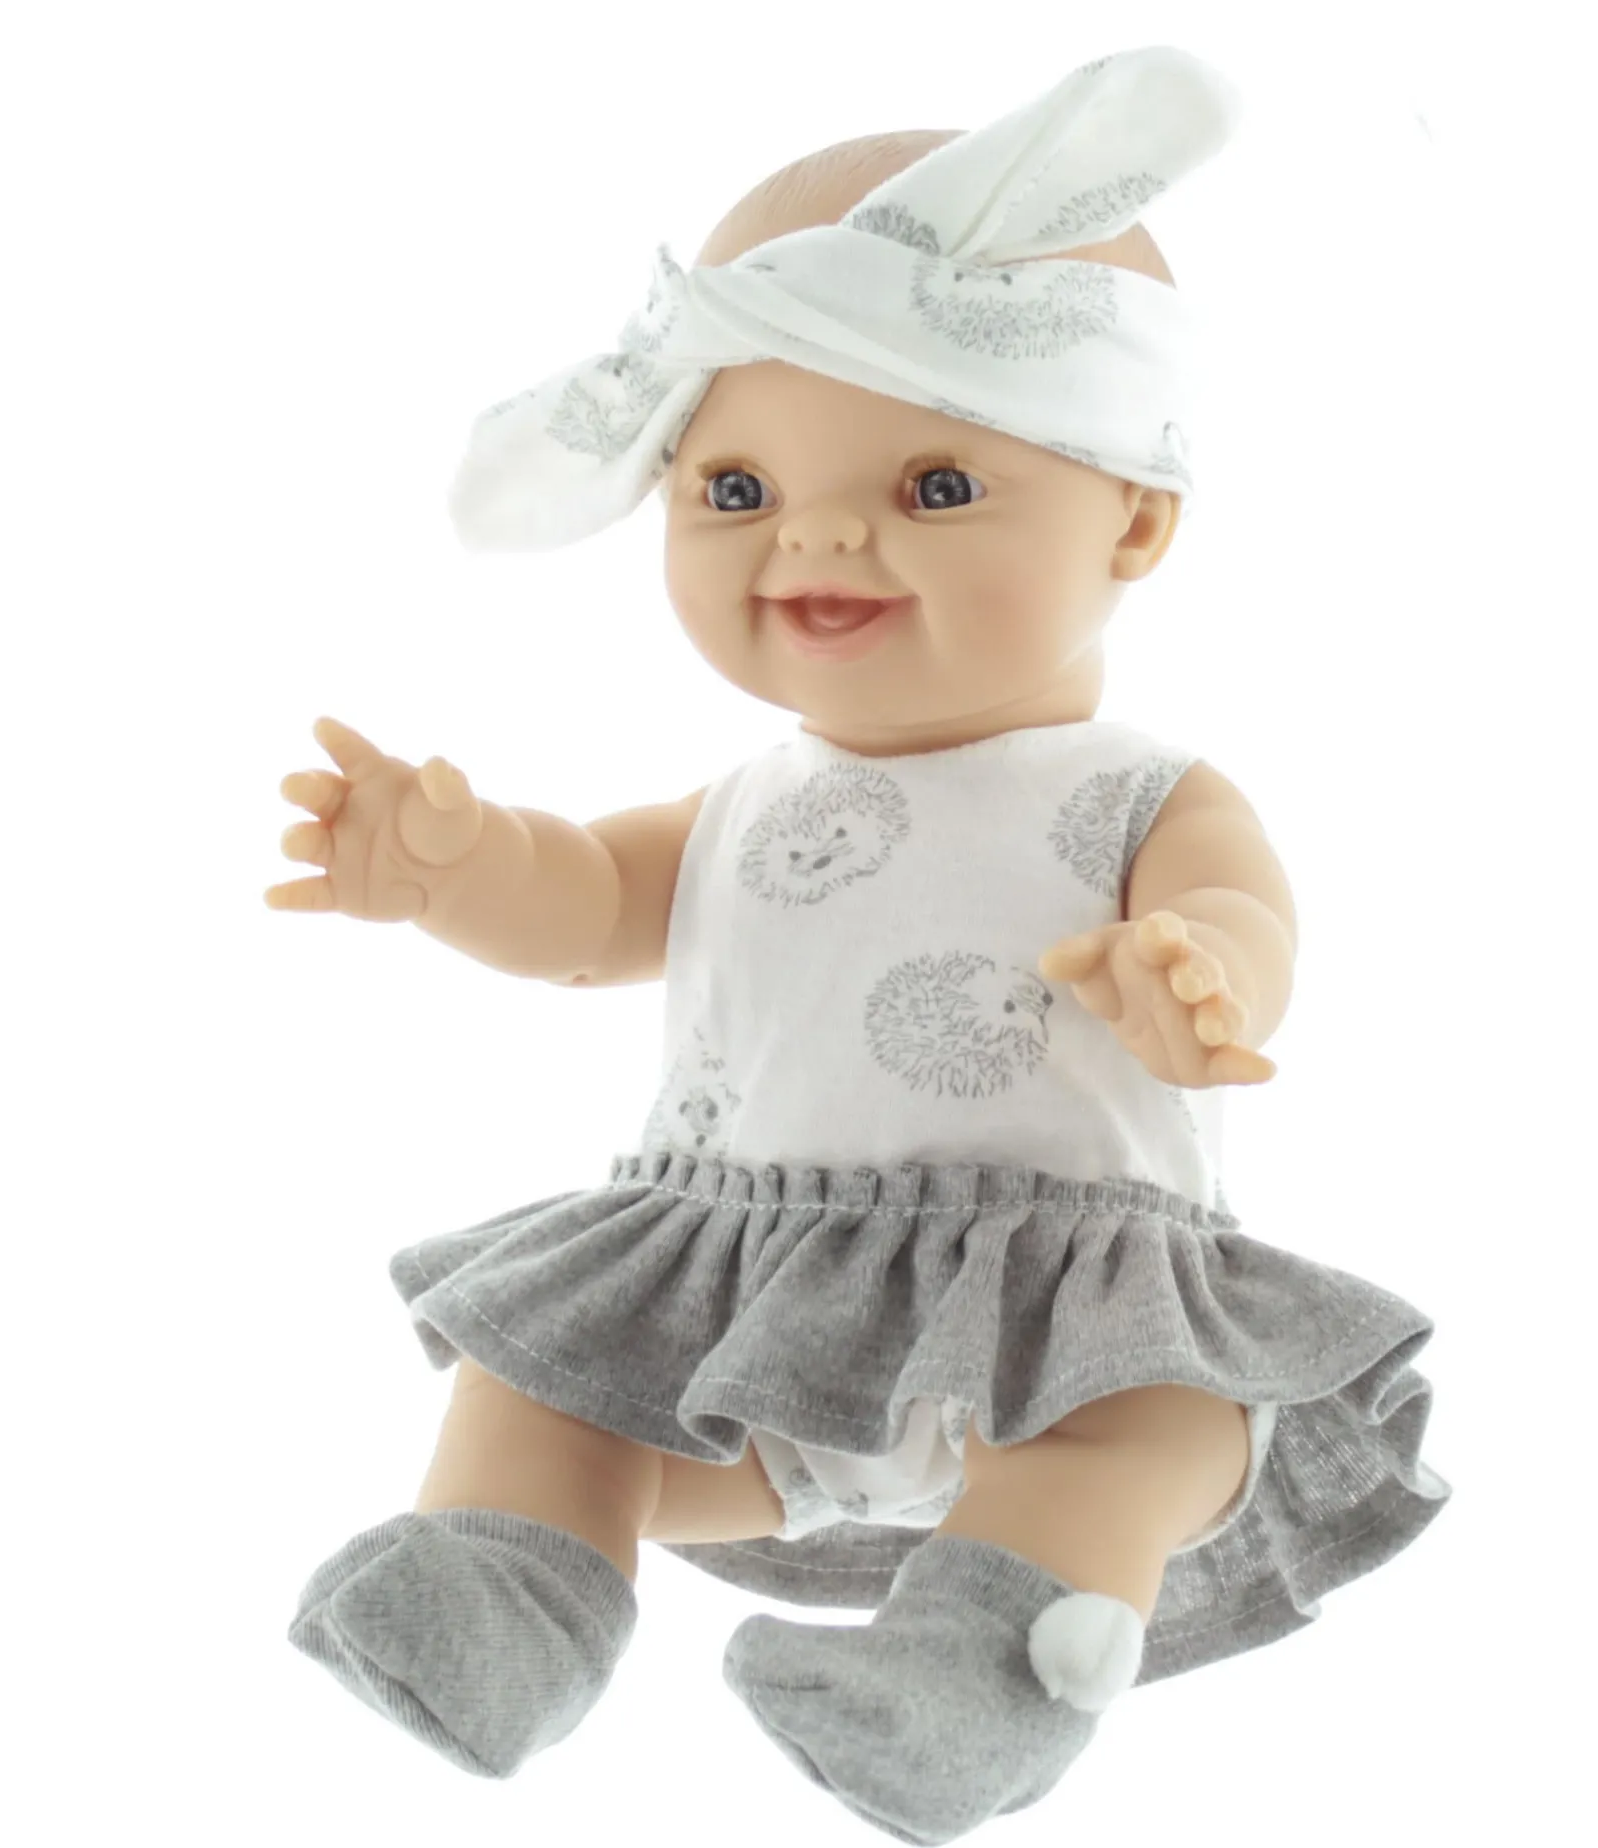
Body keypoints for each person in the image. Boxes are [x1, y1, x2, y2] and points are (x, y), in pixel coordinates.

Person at [277, 47, 1451, 1845]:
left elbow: (1241, 912)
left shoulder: (1141, 793)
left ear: (1134, 516)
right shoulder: (743, 805)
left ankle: (974, 1678)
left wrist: (1200, 971)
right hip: (746, 1317)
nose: (817, 535)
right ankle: (509, 1598)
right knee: (540, 1374)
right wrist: (457, 866)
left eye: (937, 486)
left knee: (1141, 1438)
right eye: (736, 490)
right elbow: (586, 908)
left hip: (1061, 1316)